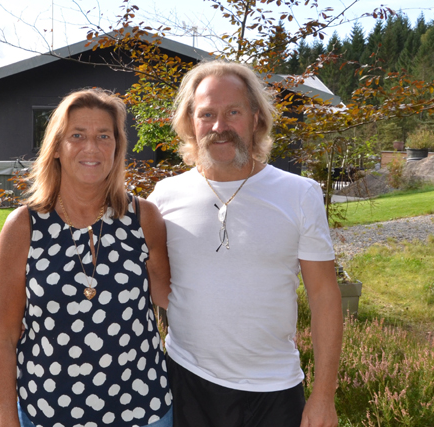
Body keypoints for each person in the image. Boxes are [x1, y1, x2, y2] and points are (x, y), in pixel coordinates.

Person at [147, 60, 343, 427]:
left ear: (255, 117)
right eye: (207, 114)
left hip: (276, 392)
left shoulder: (299, 194)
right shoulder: (163, 197)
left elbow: (324, 297)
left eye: (232, 112)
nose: (219, 127)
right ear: (191, 122)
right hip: (186, 384)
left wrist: (323, 398)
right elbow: (156, 285)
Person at [0, 88, 173, 427]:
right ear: (56, 148)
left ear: (117, 147)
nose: (92, 147)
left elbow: (174, 300)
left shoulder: (143, 218)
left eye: (104, 135)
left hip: (144, 410)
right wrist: (6, 420)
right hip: (48, 413)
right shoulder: (24, 227)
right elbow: (1, 336)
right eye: (77, 136)